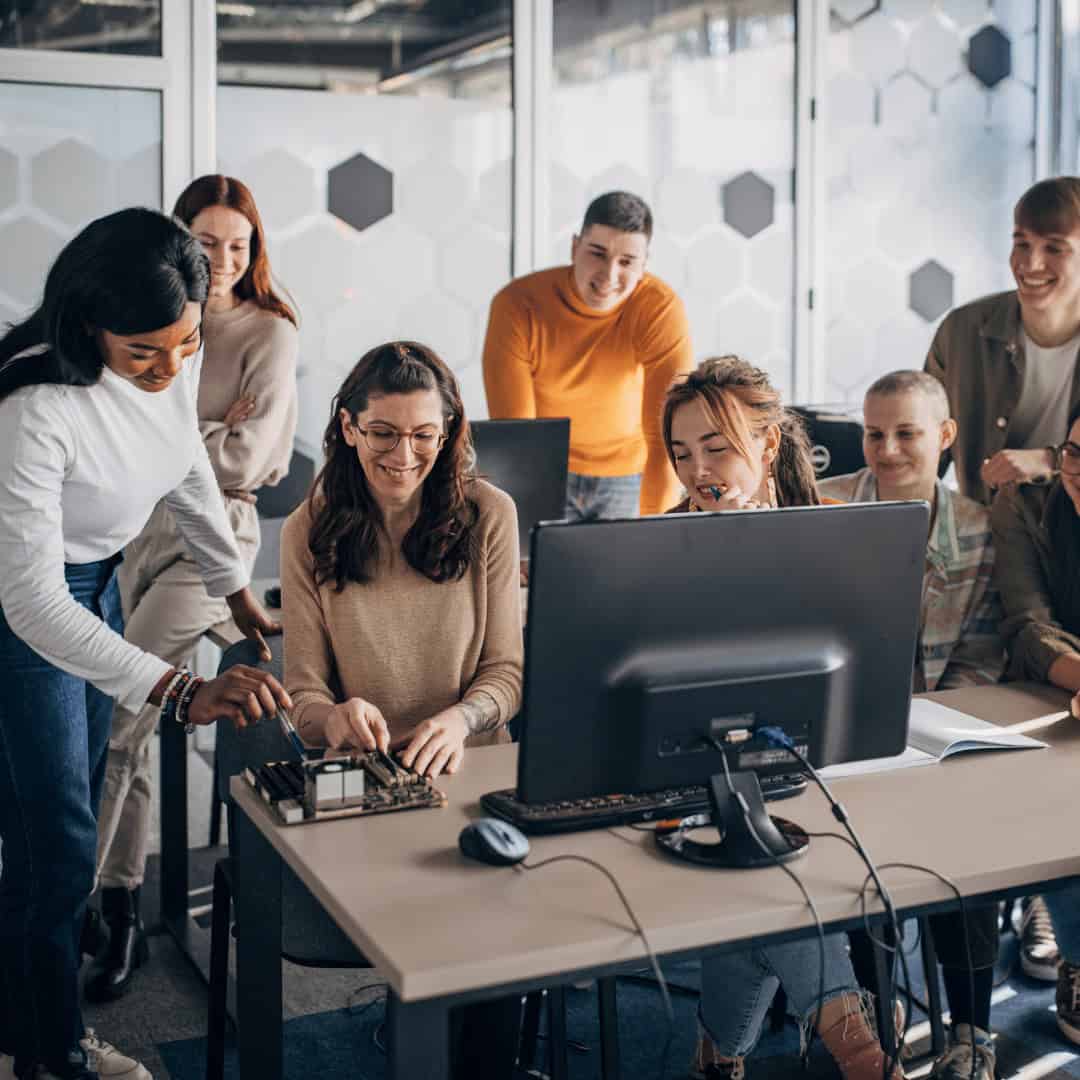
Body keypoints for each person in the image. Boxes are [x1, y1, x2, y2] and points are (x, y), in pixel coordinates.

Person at [0, 208, 289, 1080]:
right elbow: (31, 597)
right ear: (91, 325)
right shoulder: (37, 407)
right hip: (28, 606)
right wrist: (174, 688)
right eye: (145, 354)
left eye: (187, 345)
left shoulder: (166, 360)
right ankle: (53, 1055)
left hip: (95, 585)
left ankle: (19, 1040)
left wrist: (238, 592)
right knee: (57, 845)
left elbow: (188, 469)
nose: (171, 370)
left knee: (58, 833)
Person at [280, 340, 523, 1077]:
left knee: (495, 939)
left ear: (447, 433)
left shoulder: (489, 513)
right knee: (425, 940)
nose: (403, 453)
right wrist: (335, 717)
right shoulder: (307, 528)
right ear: (349, 427)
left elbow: (507, 673)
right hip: (366, 782)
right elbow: (302, 696)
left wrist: (460, 718)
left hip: (476, 771)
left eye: (424, 434)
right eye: (383, 432)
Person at [662, 357, 903, 1080]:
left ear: (767, 447)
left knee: (774, 848)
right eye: (681, 453)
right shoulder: (658, 553)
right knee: (772, 846)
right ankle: (856, 1045)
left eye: (716, 447)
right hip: (695, 778)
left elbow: (872, 670)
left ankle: (719, 1051)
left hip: (825, 769)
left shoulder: (836, 538)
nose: (698, 470)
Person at [89, 175, 299, 1003]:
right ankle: (122, 907)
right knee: (123, 732)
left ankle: (69, 910)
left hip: (214, 542)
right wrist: (207, 431)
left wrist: (171, 438)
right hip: (130, 531)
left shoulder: (268, 333)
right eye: (206, 243)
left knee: (120, 713)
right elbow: (106, 428)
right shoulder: (158, 318)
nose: (221, 260)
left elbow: (251, 463)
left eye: (238, 246)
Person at [820, 370, 1004, 1080]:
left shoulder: (980, 531)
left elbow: (983, 658)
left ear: (946, 437)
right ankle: (875, 1010)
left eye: (907, 433)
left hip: (939, 731)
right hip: (844, 736)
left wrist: (928, 733)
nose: (886, 449)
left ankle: (971, 1029)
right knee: (862, 860)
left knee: (967, 846)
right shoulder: (824, 508)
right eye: (873, 433)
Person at [924, 175, 1080, 984]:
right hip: (990, 550)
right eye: (1022, 241)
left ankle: (1051, 895)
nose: (1032, 261)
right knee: (1004, 724)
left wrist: (1050, 463)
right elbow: (923, 447)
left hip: (1068, 545)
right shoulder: (967, 328)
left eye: (1055, 247)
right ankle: (1017, 886)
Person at [482, 190, 694, 521]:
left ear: (644, 265)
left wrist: (657, 528)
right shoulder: (518, 305)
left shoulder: (659, 309)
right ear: (574, 247)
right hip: (545, 474)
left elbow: (666, 432)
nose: (609, 276)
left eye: (627, 262)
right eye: (597, 253)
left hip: (630, 477)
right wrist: (520, 536)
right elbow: (517, 435)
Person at [992, 402, 1080, 1046]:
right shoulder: (1025, 506)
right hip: (1052, 690)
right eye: (1074, 454)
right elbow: (1027, 628)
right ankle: (1075, 954)